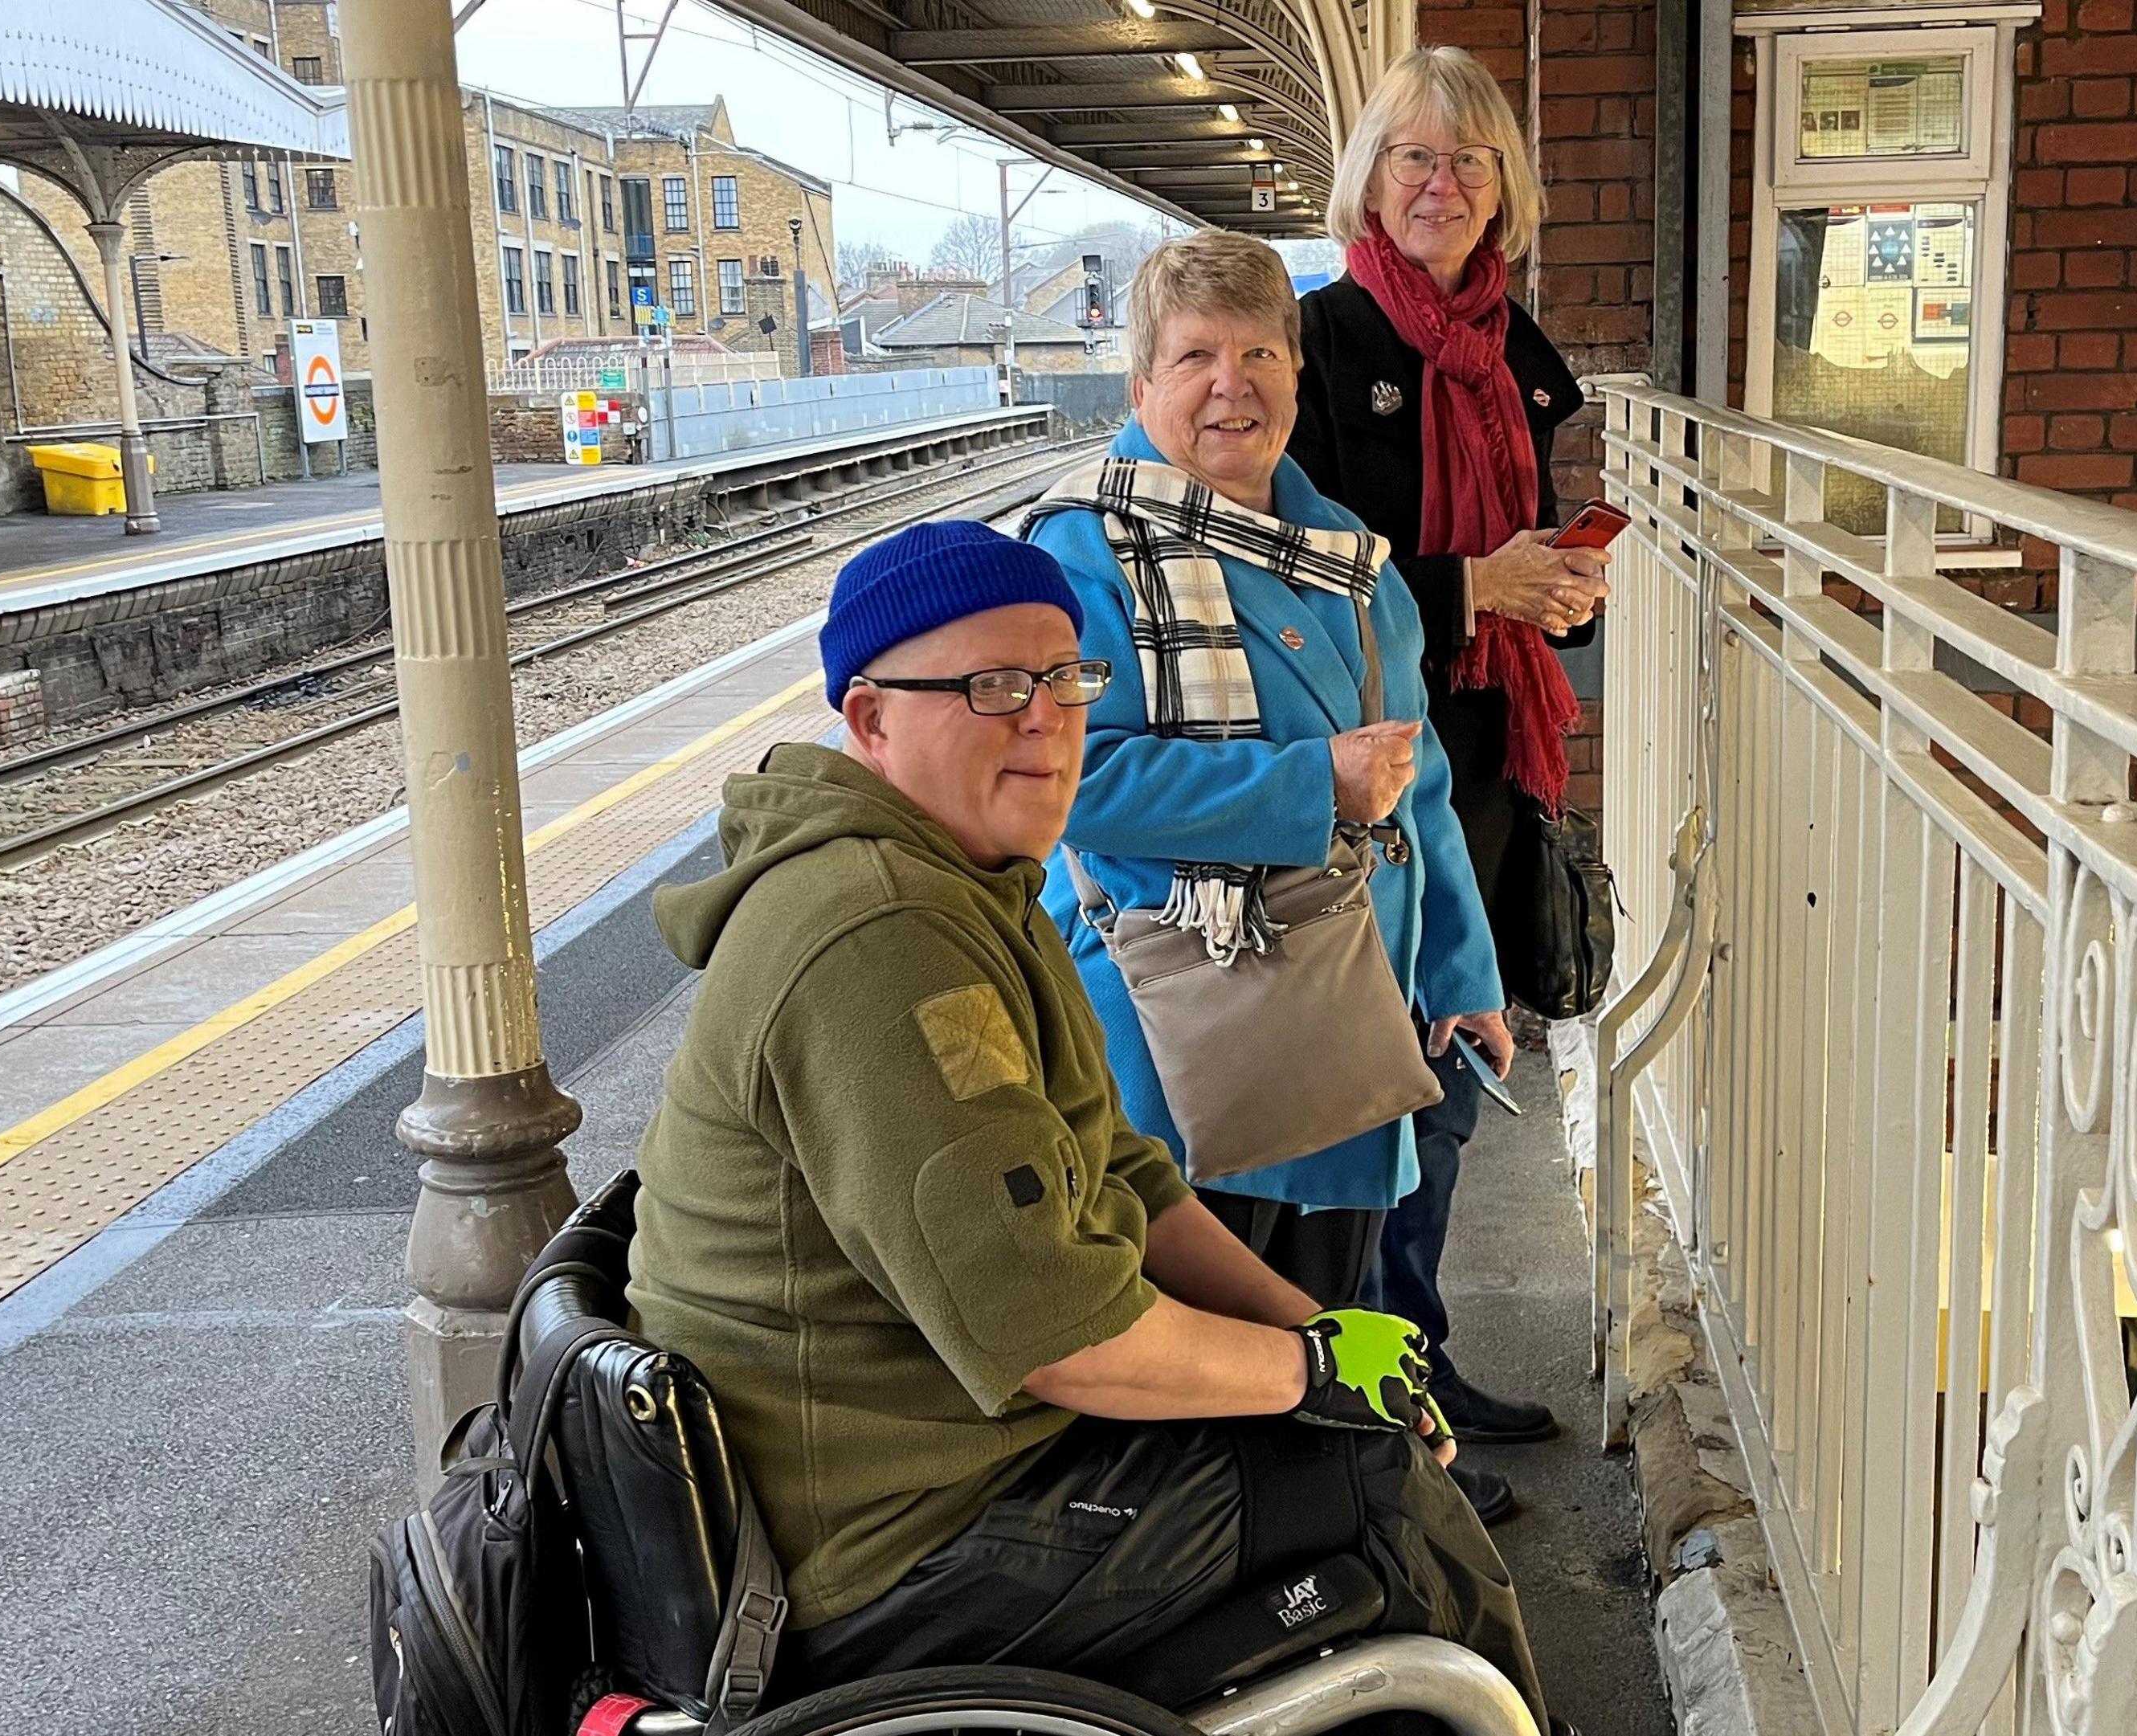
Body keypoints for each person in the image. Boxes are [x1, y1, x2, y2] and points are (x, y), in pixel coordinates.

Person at [623, 518, 1545, 1723]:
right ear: (870, 719)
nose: (1047, 718)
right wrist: (1312, 1375)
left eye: (1066, 677)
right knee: (1376, 1498)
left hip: (948, 1446)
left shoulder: (971, 882)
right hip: (889, 1534)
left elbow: (1122, 1172)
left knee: (1341, 1442)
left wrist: (1321, 1335)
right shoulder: (876, 936)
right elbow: (1060, 1331)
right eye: (991, 686)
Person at [1023, 231, 1506, 1342]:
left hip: (1338, 1014)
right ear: (1142, 383)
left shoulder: (1342, 549)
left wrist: (1459, 971)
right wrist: (1308, 783)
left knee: (1332, 1322)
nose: (1230, 385)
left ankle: (1347, 1504)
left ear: (1297, 374)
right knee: (1200, 1348)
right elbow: (1073, 778)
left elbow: (1417, 777)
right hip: (1175, 1025)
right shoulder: (1083, 552)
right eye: (1195, 357)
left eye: (1260, 355)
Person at [1287, 45, 1609, 1468]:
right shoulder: (1312, 346)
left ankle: (1410, 1361)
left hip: (1480, 760)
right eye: (1414, 156)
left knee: (1454, 1073)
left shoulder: (1514, 367)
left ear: (1505, 193)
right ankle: (1357, 1403)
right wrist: (1476, 585)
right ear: (1370, 177)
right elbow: (1297, 583)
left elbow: (1521, 577)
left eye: (1471, 160)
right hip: (1356, 771)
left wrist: (1559, 597)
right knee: (1361, 1096)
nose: (1442, 181)